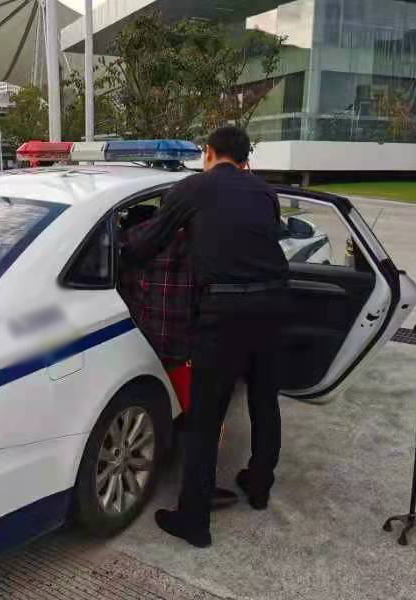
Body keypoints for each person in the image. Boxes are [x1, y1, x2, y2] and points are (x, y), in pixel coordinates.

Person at [122, 126, 291, 548]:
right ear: (245, 158)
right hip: (275, 305)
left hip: (224, 312)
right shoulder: (266, 193)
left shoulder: (191, 188)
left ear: (210, 153)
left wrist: (122, 243)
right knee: (264, 400)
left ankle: (193, 521)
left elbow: (146, 245)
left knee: (204, 417)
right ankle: (259, 486)